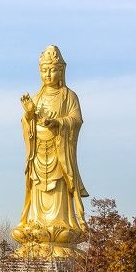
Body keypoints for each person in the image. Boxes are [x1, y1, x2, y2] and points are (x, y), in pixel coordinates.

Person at [11, 44, 88, 256]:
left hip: (59, 154)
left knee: (59, 196)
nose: (48, 74)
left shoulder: (68, 96)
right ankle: (36, 224)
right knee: (35, 197)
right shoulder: (36, 98)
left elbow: (76, 120)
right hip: (38, 155)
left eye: (52, 70)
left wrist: (57, 123)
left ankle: (60, 225)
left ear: (61, 71)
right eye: (44, 70)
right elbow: (27, 125)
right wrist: (29, 115)